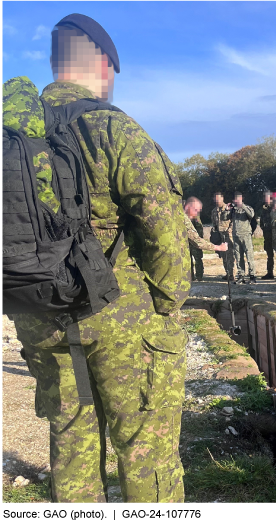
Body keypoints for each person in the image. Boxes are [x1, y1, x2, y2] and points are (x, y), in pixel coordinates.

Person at [4, 14, 190, 502]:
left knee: (71, 441)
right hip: (121, 315)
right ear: (104, 66)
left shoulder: (14, 137)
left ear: (54, 64)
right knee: (144, 447)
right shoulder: (110, 127)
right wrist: (169, 300)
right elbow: (161, 225)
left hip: (38, 311)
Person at [184, 197, 228, 269]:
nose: (196, 214)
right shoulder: (183, 218)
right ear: (187, 207)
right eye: (195, 210)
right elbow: (197, 241)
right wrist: (218, 247)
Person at [230, 192, 257, 285]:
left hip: (246, 235)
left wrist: (243, 206)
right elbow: (225, 218)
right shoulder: (233, 210)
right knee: (238, 257)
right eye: (235, 199)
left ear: (242, 199)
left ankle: (252, 276)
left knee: (249, 256)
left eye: (238, 199)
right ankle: (241, 275)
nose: (236, 201)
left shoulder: (247, 208)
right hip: (236, 236)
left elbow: (251, 215)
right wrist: (226, 210)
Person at [211, 191, 235, 281]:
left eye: (218, 199)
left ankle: (232, 274)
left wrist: (229, 230)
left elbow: (233, 221)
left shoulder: (229, 208)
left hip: (228, 235)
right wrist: (214, 233)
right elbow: (214, 223)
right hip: (219, 236)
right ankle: (227, 273)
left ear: (222, 198)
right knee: (223, 255)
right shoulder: (214, 211)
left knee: (230, 255)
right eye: (215, 199)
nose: (217, 201)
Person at [259, 191, 276, 280]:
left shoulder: (275, 207)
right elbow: (261, 222)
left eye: (267, 197)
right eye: (264, 197)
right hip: (267, 235)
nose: (265, 199)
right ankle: (270, 273)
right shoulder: (264, 209)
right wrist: (264, 229)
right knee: (269, 255)